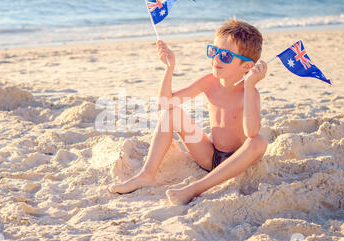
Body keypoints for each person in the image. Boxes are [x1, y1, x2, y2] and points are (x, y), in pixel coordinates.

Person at [108, 19, 268, 205]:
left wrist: (249, 85)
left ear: (246, 66)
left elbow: (251, 132)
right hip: (212, 157)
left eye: (225, 56)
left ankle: (195, 188)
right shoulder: (209, 82)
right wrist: (169, 68)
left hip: (239, 163)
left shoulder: (250, 92)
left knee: (258, 142)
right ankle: (147, 174)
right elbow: (165, 103)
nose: (216, 59)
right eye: (213, 51)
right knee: (171, 114)